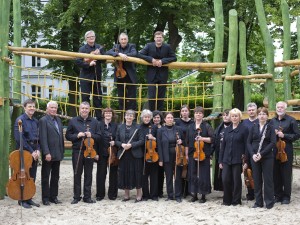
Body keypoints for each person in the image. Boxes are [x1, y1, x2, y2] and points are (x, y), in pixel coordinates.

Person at [66, 102, 101, 204]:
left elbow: (99, 137)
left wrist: (92, 135)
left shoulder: (94, 122)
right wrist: (77, 135)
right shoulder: (73, 121)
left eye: (86, 108)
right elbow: (68, 135)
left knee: (88, 174)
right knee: (77, 173)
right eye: (83, 108)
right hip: (78, 151)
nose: (84, 110)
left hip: (90, 151)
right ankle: (77, 196)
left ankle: (87, 197)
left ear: (89, 110)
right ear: (80, 109)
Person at [270, 101, 300, 204]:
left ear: (285, 108)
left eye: (282, 107)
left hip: (286, 150)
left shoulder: (291, 120)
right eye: (278, 107)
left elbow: (297, 135)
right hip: (274, 150)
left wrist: (285, 136)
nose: (279, 109)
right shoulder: (272, 121)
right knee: (275, 173)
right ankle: (277, 195)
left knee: (286, 174)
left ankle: (286, 197)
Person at [139, 31, 177, 111]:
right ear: (154, 38)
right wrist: (151, 59)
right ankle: (152, 114)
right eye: (157, 37)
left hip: (163, 75)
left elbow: (174, 58)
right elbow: (140, 54)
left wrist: (162, 61)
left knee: (161, 97)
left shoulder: (167, 47)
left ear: (163, 39)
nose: (158, 39)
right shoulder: (149, 46)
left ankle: (160, 116)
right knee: (152, 96)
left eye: (160, 37)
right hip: (151, 75)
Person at [247, 107, 276, 209]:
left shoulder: (270, 127)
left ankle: (269, 202)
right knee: (257, 180)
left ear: (267, 116)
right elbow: (248, 142)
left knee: (268, 180)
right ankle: (258, 202)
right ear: (257, 116)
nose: (262, 116)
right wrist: (252, 154)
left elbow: (272, 142)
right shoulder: (253, 127)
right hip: (254, 157)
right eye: (260, 114)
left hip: (267, 157)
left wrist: (261, 154)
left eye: (264, 114)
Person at [14, 99, 40, 208]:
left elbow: (38, 138)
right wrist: (31, 151)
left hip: (34, 151)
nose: (32, 108)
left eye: (33, 106)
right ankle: (22, 199)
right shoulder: (20, 120)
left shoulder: (35, 121)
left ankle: (29, 198)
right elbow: (19, 139)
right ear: (24, 108)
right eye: (29, 106)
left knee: (32, 176)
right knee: (23, 176)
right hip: (24, 151)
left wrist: (38, 150)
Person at [219, 108, 249, 206]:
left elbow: (247, 146)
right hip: (226, 159)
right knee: (225, 179)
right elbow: (222, 146)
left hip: (238, 159)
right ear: (230, 117)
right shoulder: (227, 130)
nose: (234, 118)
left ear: (239, 117)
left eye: (236, 116)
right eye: (232, 116)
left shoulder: (244, 129)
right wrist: (220, 161)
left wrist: (246, 161)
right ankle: (227, 200)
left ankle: (236, 201)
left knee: (236, 181)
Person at [75, 30, 105, 120]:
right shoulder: (82, 49)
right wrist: (88, 64)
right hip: (85, 77)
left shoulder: (99, 47)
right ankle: (85, 118)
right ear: (86, 39)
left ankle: (99, 120)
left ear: (95, 37)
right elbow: (78, 61)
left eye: (93, 36)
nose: (91, 38)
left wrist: (100, 55)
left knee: (98, 98)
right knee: (85, 98)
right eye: (89, 37)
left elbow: (104, 60)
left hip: (97, 77)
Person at [39, 101, 64, 205]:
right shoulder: (43, 120)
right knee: (45, 177)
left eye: (55, 108)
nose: (53, 109)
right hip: (48, 154)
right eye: (52, 107)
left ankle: (53, 197)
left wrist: (62, 151)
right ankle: (45, 198)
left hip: (58, 153)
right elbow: (43, 138)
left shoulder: (58, 120)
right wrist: (46, 153)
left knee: (55, 177)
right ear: (47, 108)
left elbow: (60, 136)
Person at [186, 106, 214, 203]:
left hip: (203, 154)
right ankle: (194, 194)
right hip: (192, 154)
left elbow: (212, 139)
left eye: (200, 113)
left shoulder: (207, 126)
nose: (198, 114)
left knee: (203, 174)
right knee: (193, 173)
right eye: (196, 113)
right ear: (194, 114)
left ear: (203, 115)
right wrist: (186, 155)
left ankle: (203, 195)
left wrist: (202, 138)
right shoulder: (190, 127)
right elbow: (187, 142)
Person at [115, 110, 144, 202]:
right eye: (127, 115)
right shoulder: (120, 127)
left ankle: (139, 195)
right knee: (124, 173)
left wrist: (131, 145)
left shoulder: (138, 127)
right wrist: (122, 145)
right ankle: (126, 195)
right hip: (124, 154)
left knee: (137, 174)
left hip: (135, 154)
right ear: (125, 116)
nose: (129, 117)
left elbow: (142, 140)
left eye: (131, 115)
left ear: (134, 117)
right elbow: (116, 140)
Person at [157, 112, 184, 203]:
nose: (170, 119)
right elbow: (159, 146)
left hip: (177, 155)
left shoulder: (178, 129)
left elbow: (184, 140)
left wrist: (181, 141)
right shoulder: (160, 130)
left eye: (171, 118)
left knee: (178, 176)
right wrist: (161, 159)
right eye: (168, 118)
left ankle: (178, 195)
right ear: (164, 119)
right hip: (166, 155)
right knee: (168, 176)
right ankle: (170, 195)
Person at [106, 33, 137, 112]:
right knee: (121, 98)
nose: (123, 41)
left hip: (130, 76)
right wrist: (119, 54)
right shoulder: (116, 47)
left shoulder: (132, 46)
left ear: (127, 40)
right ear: (119, 40)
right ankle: (122, 117)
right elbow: (108, 52)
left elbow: (134, 53)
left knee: (132, 98)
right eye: (122, 39)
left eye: (125, 39)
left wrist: (124, 55)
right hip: (119, 75)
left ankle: (132, 117)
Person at [96, 108, 119, 201]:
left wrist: (115, 142)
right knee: (101, 174)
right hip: (101, 153)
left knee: (113, 174)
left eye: (110, 113)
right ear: (103, 114)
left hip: (112, 153)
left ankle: (112, 194)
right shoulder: (98, 124)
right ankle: (100, 194)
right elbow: (96, 139)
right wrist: (96, 153)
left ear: (112, 115)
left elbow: (119, 137)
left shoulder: (116, 125)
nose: (108, 114)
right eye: (106, 113)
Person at [139, 109, 159, 201]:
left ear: (150, 118)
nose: (146, 119)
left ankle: (154, 195)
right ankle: (145, 195)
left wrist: (153, 138)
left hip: (153, 154)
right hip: (143, 154)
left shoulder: (155, 127)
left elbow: (159, 140)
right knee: (144, 175)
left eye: (148, 117)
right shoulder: (139, 127)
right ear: (142, 118)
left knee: (154, 175)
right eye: (145, 117)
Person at [175, 105, 193, 198]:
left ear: (189, 112)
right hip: (181, 148)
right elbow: (175, 133)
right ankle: (182, 191)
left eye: (186, 111)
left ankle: (189, 191)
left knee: (190, 169)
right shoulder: (177, 122)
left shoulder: (193, 122)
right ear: (180, 112)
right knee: (182, 169)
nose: (185, 112)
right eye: (183, 111)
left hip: (191, 147)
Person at [211, 109, 231, 191]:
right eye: (224, 115)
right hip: (220, 154)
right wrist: (211, 153)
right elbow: (214, 141)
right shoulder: (219, 128)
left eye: (227, 115)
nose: (225, 117)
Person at [242, 102, 258, 200]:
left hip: (257, 151)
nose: (251, 112)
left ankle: (257, 192)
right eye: (249, 110)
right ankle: (250, 193)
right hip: (246, 151)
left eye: (253, 110)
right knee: (247, 173)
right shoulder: (244, 123)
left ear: (256, 110)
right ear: (247, 111)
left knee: (256, 173)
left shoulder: (260, 121)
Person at [152, 110, 165, 198]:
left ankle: (160, 191)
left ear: (161, 119)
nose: (156, 119)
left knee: (161, 173)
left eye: (158, 118)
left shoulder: (163, 128)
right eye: (155, 117)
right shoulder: (151, 127)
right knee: (154, 173)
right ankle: (154, 191)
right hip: (152, 152)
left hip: (162, 152)